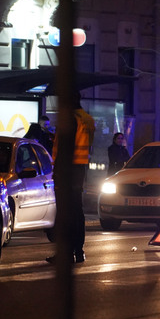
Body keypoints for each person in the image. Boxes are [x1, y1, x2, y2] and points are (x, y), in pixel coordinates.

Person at [47, 92, 95, 264]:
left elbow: (65, 148)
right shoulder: (87, 119)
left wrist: (57, 171)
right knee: (77, 211)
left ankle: (65, 252)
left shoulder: (70, 119)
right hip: (80, 170)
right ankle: (78, 251)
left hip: (66, 170)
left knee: (65, 212)